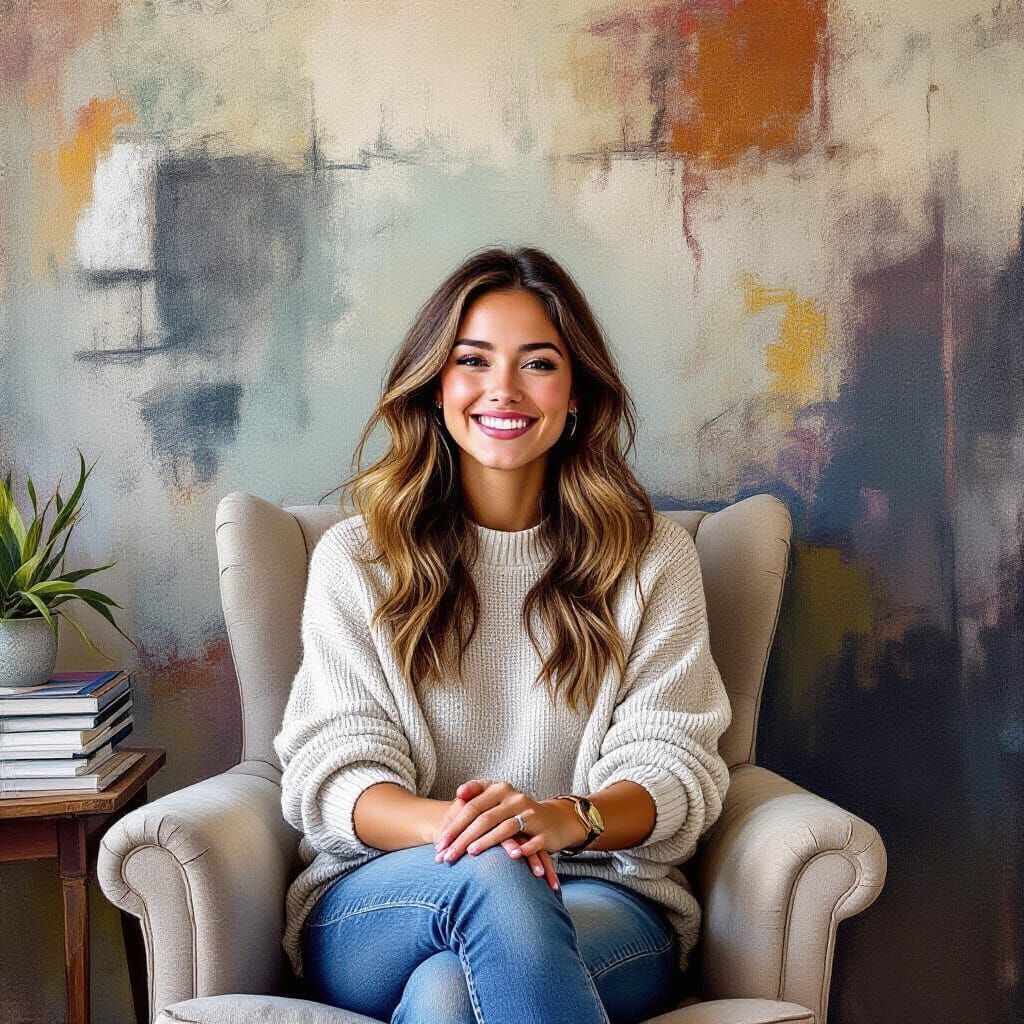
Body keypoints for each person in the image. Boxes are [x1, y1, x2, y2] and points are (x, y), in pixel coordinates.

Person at [272, 246, 733, 1024]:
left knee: (452, 994)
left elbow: (673, 765)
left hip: (603, 899)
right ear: (436, 385)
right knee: (490, 875)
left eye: (539, 364)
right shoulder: (357, 560)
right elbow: (334, 774)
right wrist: (485, 834)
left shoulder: (652, 558)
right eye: (473, 361)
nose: (504, 390)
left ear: (578, 391)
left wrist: (565, 818)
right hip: (383, 899)